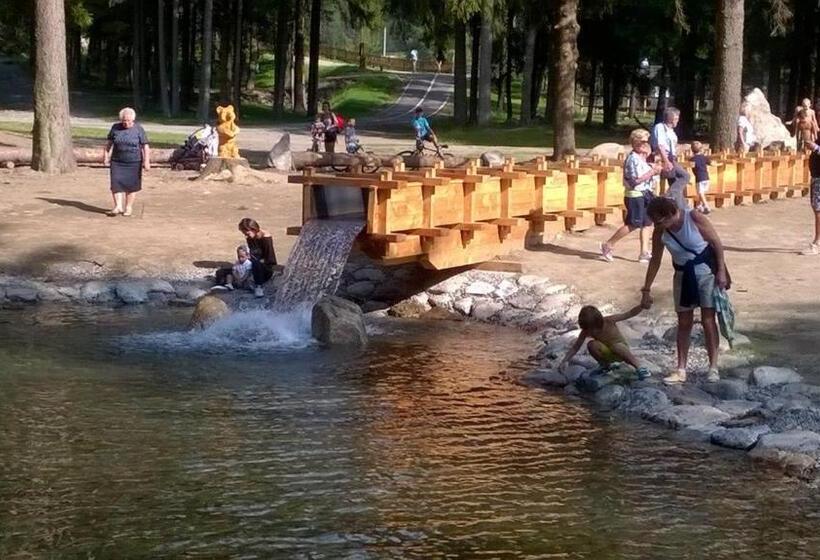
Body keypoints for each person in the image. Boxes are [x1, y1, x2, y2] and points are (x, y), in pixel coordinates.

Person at [641, 197, 729, 384]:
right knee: (684, 322)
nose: (657, 225)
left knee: (708, 320)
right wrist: (646, 289)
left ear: (671, 214)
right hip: (682, 275)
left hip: (706, 274)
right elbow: (655, 260)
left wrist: (721, 271)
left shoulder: (694, 218)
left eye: (660, 221)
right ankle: (681, 369)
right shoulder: (660, 231)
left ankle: (713, 367)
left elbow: (716, 243)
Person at [600, 129, 661, 264]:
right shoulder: (632, 159)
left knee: (647, 222)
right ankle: (608, 244)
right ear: (635, 142)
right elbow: (634, 181)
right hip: (635, 195)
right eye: (643, 141)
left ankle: (644, 252)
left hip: (646, 193)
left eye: (647, 141)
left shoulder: (642, 157)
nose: (645, 144)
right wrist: (652, 172)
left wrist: (653, 168)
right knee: (633, 224)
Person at [558, 304, 651, 380]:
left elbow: (629, 313)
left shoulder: (609, 320)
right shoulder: (585, 331)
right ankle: (605, 365)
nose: (592, 332)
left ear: (600, 322)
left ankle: (639, 367)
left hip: (621, 352)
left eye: (594, 329)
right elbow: (575, 347)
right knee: (591, 344)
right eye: (589, 330)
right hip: (606, 353)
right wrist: (564, 361)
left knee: (616, 347)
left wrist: (642, 306)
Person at [103, 107, 150, 217]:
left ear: (133, 119)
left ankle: (128, 207)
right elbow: (109, 143)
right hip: (117, 161)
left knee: (131, 185)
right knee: (116, 184)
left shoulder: (139, 129)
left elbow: (145, 146)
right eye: (124, 120)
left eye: (128, 120)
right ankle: (118, 206)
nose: (126, 123)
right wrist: (106, 156)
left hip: (134, 162)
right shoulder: (115, 127)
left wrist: (146, 161)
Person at [650, 106, 690, 209]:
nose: (678, 120)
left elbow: (672, 146)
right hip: (663, 158)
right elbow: (660, 145)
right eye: (676, 118)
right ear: (671, 118)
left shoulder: (671, 131)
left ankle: (683, 209)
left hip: (672, 158)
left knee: (675, 183)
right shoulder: (660, 127)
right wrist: (666, 161)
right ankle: (669, 195)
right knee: (685, 176)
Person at [801, 140, 820, 255]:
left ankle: (818, 243)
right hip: (816, 177)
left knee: (818, 210)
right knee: (816, 208)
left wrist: (816, 148)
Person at [690, 141, 712, 214]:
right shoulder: (704, 157)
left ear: (692, 150)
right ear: (701, 149)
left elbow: (691, 166)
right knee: (701, 192)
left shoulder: (692, 159)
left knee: (700, 192)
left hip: (699, 178)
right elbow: (711, 163)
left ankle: (706, 206)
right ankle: (699, 206)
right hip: (706, 177)